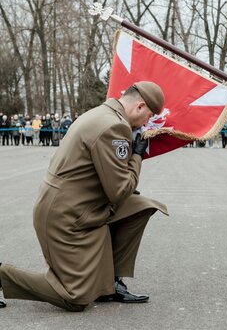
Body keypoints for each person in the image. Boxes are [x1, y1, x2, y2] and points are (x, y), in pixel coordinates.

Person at [0, 81, 168, 312]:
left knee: (140, 205)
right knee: (74, 298)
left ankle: (108, 285)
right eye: (148, 116)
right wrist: (137, 156)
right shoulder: (114, 127)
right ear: (139, 106)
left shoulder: (102, 113)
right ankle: (2, 277)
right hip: (67, 218)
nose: (147, 124)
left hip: (76, 205)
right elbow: (119, 192)